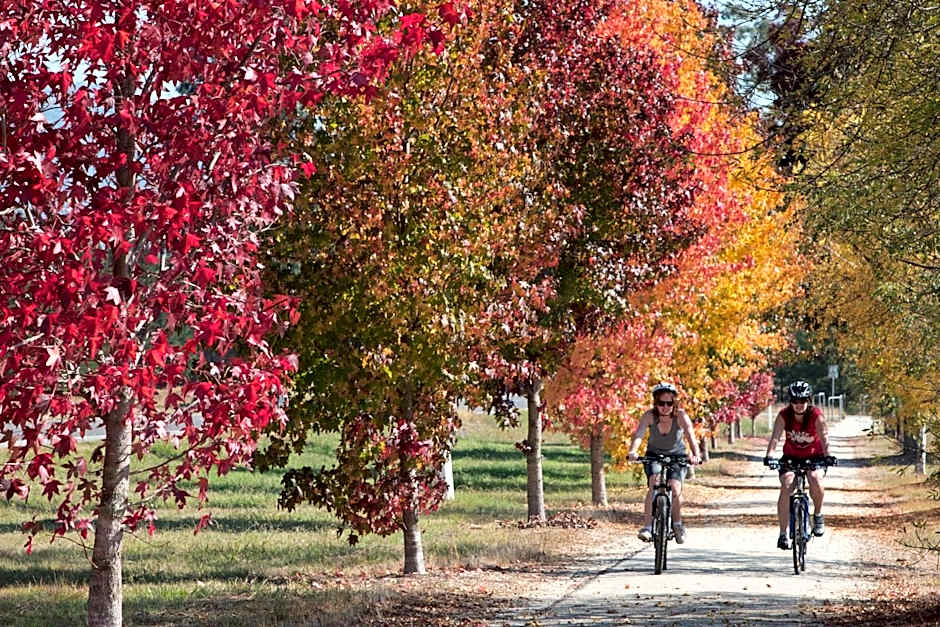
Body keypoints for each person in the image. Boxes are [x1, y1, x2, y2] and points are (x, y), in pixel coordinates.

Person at [627, 382, 702, 544]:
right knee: (654, 482)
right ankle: (647, 527)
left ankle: (677, 524)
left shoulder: (681, 416)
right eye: (661, 403)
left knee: (675, 487)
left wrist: (696, 455)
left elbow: (691, 436)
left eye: (669, 403)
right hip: (654, 455)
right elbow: (639, 435)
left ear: (674, 403)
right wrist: (633, 451)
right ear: (656, 403)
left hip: (677, 456)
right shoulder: (649, 416)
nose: (665, 407)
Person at [764, 380, 835, 550]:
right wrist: (769, 456)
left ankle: (817, 515)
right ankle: (783, 534)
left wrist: (828, 455)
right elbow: (775, 437)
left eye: (802, 400)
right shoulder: (784, 415)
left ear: (808, 400)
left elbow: (824, 437)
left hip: (814, 457)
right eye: (795, 401)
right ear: (790, 401)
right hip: (791, 457)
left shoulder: (816, 415)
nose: (798, 404)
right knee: (787, 485)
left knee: (814, 478)